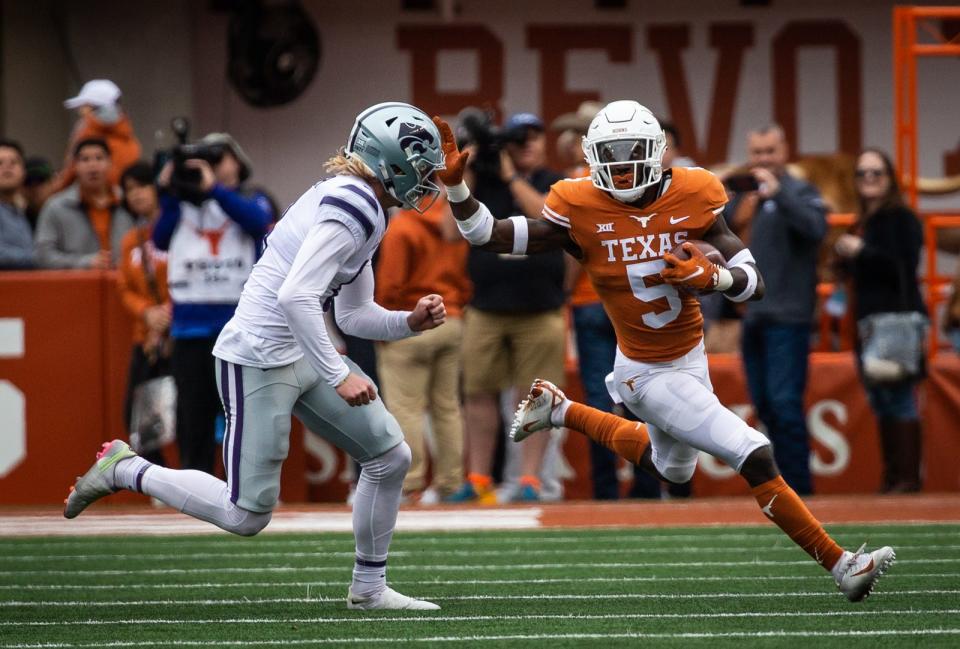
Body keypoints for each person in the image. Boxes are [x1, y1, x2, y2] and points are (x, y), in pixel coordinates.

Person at [432, 100, 894, 602]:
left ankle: (563, 410)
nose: (623, 165)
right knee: (754, 452)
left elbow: (754, 283)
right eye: (610, 154)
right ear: (592, 156)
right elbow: (488, 235)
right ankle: (840, 563)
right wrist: (457, 189)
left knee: (673, 468)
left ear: (657, 152)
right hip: (645, 372)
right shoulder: (579, 204)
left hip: (689, 355)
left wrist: (714, 277)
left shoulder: (694, 192)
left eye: (632, 152)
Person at [65, 101, 448, 611]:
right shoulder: (353, 203)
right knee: (247, 514)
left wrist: (407, 322)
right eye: (420, 166)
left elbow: (354, 317)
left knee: (389, 457)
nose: (427, 181)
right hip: (258, 357)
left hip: (301, 348)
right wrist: (338, 374)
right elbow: (295, 297)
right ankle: (124, 468)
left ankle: (369, 589)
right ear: (389, 161)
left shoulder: (366, 206)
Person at [449, 111, 566, 503]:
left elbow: (547, 216)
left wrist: (512, 177)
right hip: (486, 307)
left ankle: (530, 480)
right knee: (477, 393)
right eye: (519, 138)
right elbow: (450, 230)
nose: (528, 144)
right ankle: (479, 478)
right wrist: (464, 174)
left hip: (541, 308)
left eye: (535, 136)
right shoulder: (481, 179)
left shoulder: (554, 181)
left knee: (536, 396)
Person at [152, 133, 273, 474]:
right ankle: (195, 481)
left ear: (238, 162)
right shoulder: (181, 205)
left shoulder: (252, 198)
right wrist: (169, 189)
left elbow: (257, 222)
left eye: (218, 158)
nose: (211, 167)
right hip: (190, 326)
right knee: (193, 414)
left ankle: (247, 480)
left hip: (237, 324)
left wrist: (216, 191)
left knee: (244, 409)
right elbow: (159, 238)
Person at [726, 124, 828, 495]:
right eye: (757, 152)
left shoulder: (801, 191)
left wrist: (779, 192)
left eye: (770, 151)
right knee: (765, 406)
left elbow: (816, 228)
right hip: (753, 317)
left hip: (789, 317)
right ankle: (782, 488)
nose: (763, 159)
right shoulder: (743, 197)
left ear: (785, 151)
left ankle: (801, 489)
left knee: (785, 405)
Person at [834, 149, 926, 493]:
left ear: (890, 179)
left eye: (876, 173)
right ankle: (893, 477)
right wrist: (844, 259)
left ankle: (907, 479)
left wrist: (861, 252)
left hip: (897, 317)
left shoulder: (902, 217)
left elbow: (903, 265)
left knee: (900, 395)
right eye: (862, 174)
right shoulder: (863, 221)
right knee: (881, 399)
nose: (868, 179)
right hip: (869, 319)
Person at [375, 195, 471, 502]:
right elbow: (468, 280)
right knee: (448, 407)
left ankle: (410, 483)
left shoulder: (402, 227)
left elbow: (389, 285)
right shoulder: (456, 224)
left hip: (410, 322)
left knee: (406, 408)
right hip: (451, 319)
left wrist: (383, 326)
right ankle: (451, 483)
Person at [116, 162, 171, 467]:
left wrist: (166, 315)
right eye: (129, 190)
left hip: (178, 335)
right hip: (145, 339)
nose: (135, 194)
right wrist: (147, 313)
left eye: (142, 186)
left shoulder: (178, 230)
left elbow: (188, 276)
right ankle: (158, 478)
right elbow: (124, 288)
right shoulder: (130, 240)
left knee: (192, 412)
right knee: (136, 414)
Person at [35, 138, 134, 269]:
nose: (92, 166)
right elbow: (43, 256)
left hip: (123, 283)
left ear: (110, 163)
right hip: (74, 285)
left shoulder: (128, 202)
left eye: (99, 158)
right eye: (85, 159)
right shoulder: (56, 207)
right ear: (75, 166)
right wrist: (83, 262)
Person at [54, 79, 142, 193]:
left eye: (84, 108)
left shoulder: (85, 138)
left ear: (100, 109)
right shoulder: (131, 142)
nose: (80, 113)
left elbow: (67, 180)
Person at [0, 139, 35, 270]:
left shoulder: (25, 210)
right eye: (0, 163)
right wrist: (41, 257)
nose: (7, 167)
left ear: (23, 171)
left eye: (14, 162)